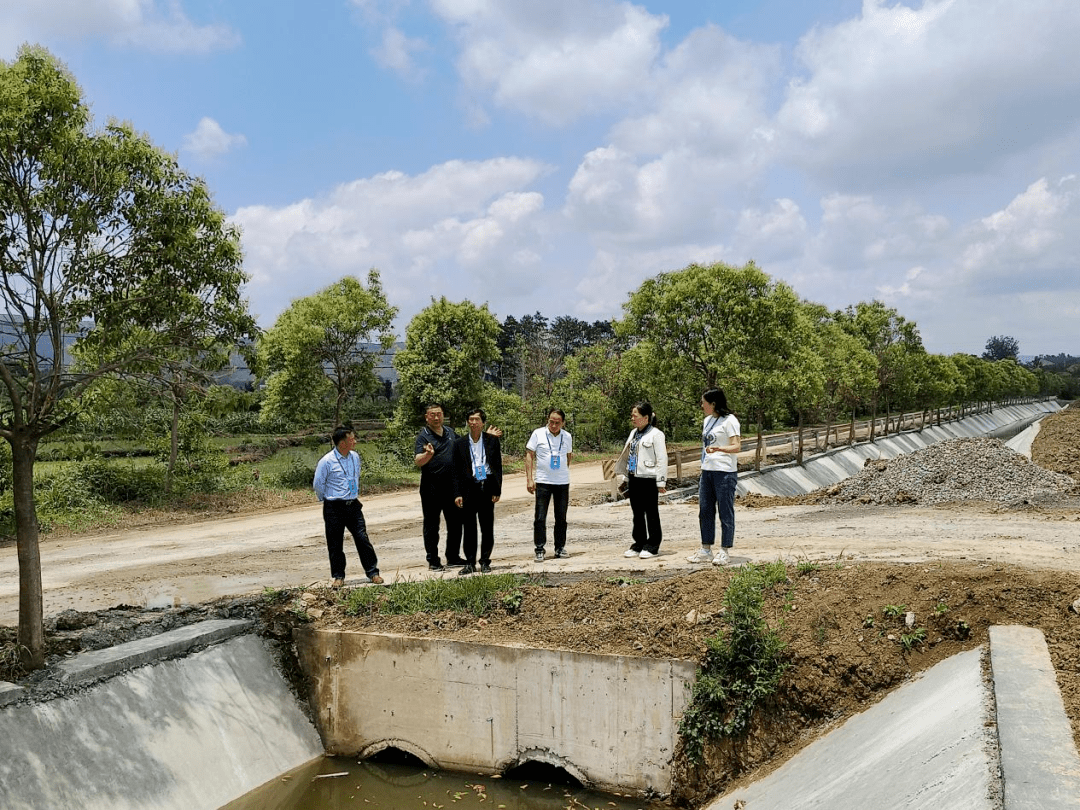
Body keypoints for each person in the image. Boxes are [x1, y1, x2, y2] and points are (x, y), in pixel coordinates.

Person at [312, 426, 383, 587]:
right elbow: (318, 484)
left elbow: (355, 476)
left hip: (353, 506)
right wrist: (326, 499)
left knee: (362, 538)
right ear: (342, 443)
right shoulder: (327, 461)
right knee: (335, 543)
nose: (355, 441)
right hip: (334, 507)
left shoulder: (355, 457)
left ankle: (373, 572)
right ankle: (338, 576)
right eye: (352, 439)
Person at [688, 388, 741, 566]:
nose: (701, 405)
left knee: (725, 511)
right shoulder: (707, 421)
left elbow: (736, 446)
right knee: (705, 510)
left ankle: (725, 550)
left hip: (724, 471)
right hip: (707, 470)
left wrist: (719, 449)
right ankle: (706, 548)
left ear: (714, 403)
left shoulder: (730, 421)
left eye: (704, 402)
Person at [452, 408, 503, 575]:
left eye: (477, 419)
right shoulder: (459, 443)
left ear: (483, 423)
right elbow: (456, 471)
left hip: (486, 487)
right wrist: (457, 493)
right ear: (468, 422)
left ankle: (485, 561)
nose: (473, 422)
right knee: (469, 528)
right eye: (471, 419)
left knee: (487, 527)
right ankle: (470, 562)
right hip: (469, 488)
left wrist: (497, 489)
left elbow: (497, 467)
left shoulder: (492, 441)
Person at [614, 402, 667, 559]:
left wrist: (661, 482)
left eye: (635, 415)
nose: (632, 418)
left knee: (651, 513)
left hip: (649, 479)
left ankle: (653, 545)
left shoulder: (656, 434)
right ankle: (639, 543)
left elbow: (662, 459)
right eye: (632, 415)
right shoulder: (633, 433)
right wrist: (625, 477)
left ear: (645, 418)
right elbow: (630, 456)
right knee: (637, 513)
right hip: (634, 478)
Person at [414, 403, 464, 570]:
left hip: (452, 487)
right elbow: (418, 461)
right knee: (432, 525)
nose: (436, 417)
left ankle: (453, 557)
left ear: (443, 415)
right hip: (431, 488)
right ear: (426, 417)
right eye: (432, 415)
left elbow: (463, 449)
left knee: (456, 523)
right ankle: (433, 560)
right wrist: (428, 454)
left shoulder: (450, 432)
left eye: (439, 414)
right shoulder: (423, 437)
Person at [525, 408, 573, 562]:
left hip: (562, 482)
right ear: (548, 420)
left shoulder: (567, 437)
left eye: (557, 423)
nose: (553, 425)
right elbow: (529, 455)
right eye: (551, 421)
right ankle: (539, 548)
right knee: (540, 517)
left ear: (563, 423)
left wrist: (561, 471)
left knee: (561, 518)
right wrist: (529, 479)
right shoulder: (538, 434)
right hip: (543, 481)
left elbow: (568, 457)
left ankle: (560, 547)